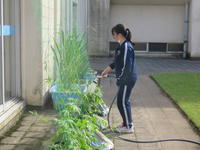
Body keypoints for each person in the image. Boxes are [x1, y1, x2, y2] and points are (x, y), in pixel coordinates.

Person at [101, 24, 137, 133]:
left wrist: (121, 78)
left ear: (119, 34)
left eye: (114, 35)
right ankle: (126, 123)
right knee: (124, 101)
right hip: (124, 79)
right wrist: (107, 69)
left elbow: (127, 65)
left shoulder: (126, 46)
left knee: (122, 101)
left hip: (127, 79)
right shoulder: (121, 47)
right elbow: (117, 62)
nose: (113, 37)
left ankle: (128, 126)